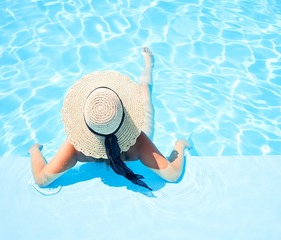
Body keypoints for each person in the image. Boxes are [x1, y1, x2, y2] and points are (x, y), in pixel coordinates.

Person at [29, 47, 189, 190]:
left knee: (145, 90)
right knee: (145, 89)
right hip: (138, 134)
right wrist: (179, 146)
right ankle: (148, 66)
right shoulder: (138, 140)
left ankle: (148, 64)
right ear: (125, 112)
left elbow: (42, 179)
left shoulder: (75, 146)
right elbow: (172, 175)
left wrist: (34, 151)